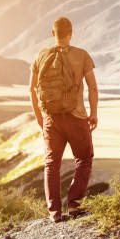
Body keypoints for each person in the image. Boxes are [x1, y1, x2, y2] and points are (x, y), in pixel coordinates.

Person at [29, 17, 99, 222]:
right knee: (84, 160)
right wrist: (93, 113)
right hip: (76, 118)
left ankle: (54, 213)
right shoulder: (82, 55)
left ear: (53, 33)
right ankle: (75, 205)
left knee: (51, 164)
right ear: (71, 33)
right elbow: (93, 88)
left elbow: (32, 89)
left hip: (51, 118)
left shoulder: (41, 56)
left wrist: (39, 117)